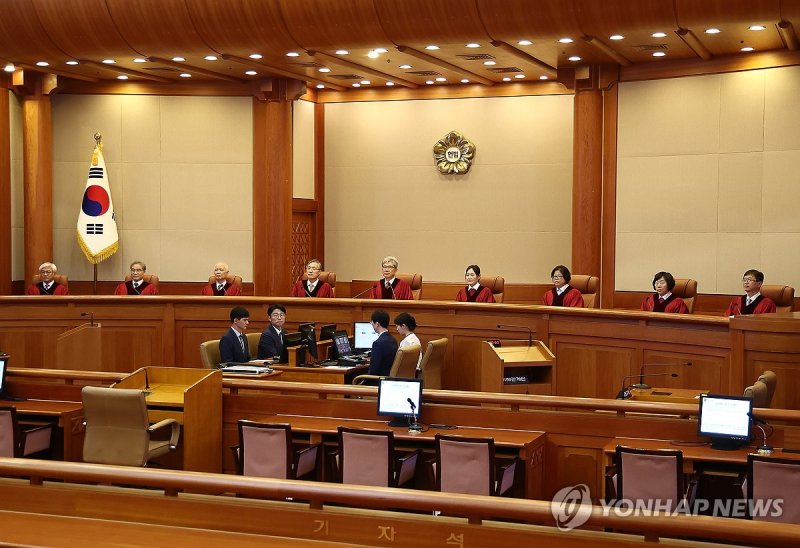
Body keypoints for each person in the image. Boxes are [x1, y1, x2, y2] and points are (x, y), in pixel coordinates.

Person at [366, 310, 398, 381]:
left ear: (377, 324)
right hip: (388, 378)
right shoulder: (393, 340)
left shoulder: (377, 343)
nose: (372, 325)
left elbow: (374, 370)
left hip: (377, 380)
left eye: (372, 323)